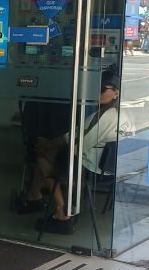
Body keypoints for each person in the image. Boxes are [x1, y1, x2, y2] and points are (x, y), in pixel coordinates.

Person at [17, 75, 121, 234]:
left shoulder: (103, 117)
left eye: (102, 89)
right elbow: (75, 136)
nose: (97, 92)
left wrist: (48, 146)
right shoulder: (116, 114)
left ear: (116, 93)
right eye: (95, 87)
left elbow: (77, 145)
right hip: (110, 170)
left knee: (43, 158)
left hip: (93, 170)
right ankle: (34, 195)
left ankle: (61, 212)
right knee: (47, 152)